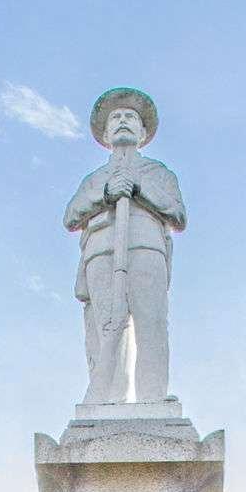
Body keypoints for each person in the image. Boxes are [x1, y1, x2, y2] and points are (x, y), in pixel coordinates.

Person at [66, 87, 185, 405]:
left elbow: (177, 213)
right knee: (108, 326)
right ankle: (108, 398)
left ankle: (152, 398)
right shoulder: (95, 177)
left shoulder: (158, 173)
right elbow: (71, 215)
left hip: (146, 247)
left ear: (143, 131)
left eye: (130, 117)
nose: (122, 121)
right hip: (102, 251)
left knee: (152, 323)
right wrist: (105, 192)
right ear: (105, 133)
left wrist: (140, 188)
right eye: (116, 118)